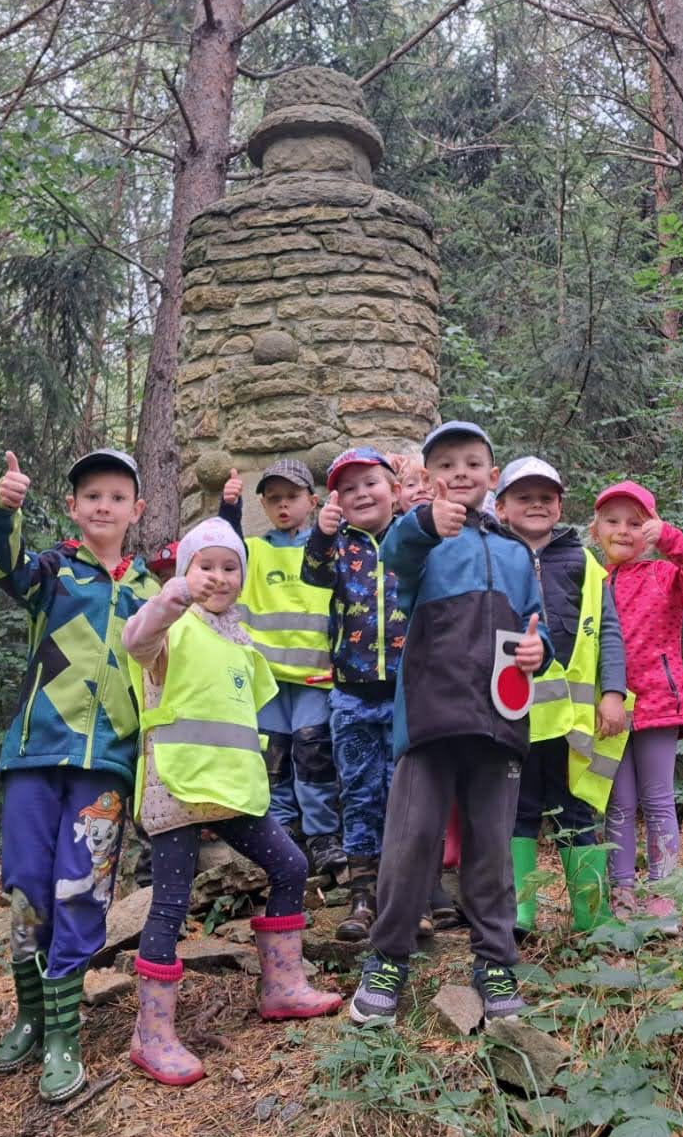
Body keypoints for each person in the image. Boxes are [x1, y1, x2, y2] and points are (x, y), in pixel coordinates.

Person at [120, 518, 342, 1084]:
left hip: (232, 790)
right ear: (185, 571)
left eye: (229, 567)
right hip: (177, 788)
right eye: (206, 566)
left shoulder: (239, 638)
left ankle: (283, 986)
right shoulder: (174, 624)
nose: (218, 577)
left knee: (291, 865)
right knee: (171, 903)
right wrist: (171, 597)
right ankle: (152, 1034)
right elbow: (136, 640)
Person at [348, 421, 548, 1026]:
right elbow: (394, 554)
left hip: (499, 721)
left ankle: (495, 961)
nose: (460, 473)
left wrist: (542, 650)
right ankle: (388, 957)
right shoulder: (424, 537)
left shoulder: (516, 553)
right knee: (411, 840)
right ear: (430, 477)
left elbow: (538, 626)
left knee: (492, 847)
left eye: (472, 463)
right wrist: (425, 523)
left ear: (493, 476)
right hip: (430, 716)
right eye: (447, 465)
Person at [0, 447, 157, 1102]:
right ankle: (30, 1015)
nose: (103, 506)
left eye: (116, 497)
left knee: (81, 888)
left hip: (107, 764)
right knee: (27, 887)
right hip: (35, 754)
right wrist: (4, 511)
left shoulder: (151, 594)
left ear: (137, 510)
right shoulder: (52, 572)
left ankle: (63, 1034)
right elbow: (2, 567)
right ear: (73, 508)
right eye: (92, 497)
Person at [493, 457, 627, 938]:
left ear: (560, 505)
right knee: (518, 809)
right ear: (501, 507)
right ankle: (519, 914)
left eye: (545, 497)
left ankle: (593, 916)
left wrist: (613, 692)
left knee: (576, 811)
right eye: (523, 497)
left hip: (572, 721)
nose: (536, 504)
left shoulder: (585, 563)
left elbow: (608, 631)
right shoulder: (490, 556)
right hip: (513, 716)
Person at [592, 480, 683, 931]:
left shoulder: (665, 575)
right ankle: (622, 891)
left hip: (659, 703)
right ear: (596, 530)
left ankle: (664, 893)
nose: (623, 531)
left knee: (659, 799)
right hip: (609, 708)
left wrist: (668, 538)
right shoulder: (594, 581)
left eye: (635, 522)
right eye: (612, 522)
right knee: (619, 803)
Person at [300, 448, 409, 942]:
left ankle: (409, 893)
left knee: (406, 793)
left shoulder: (413, 536)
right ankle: (363, 895)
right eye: (349, 489)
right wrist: (323, 533)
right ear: (336, 502)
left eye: (371, 483)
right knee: (360, 793)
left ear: (395, 490)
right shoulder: (338, 545)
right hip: (351, 693)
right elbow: (313, 572)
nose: (361, 494)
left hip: (410, 691)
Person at [220, 461, 344, 880]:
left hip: (314, 676)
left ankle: (322, 835)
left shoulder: (328, 547)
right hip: (267, 679)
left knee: (313, 753)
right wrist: (229, 509)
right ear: (263, 505)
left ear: (313, 501)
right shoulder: (254, 550)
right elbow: (224, 549)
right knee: (271, 757)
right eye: (274, 499)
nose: (283, 505)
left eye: (292, 497)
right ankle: (282, 832)